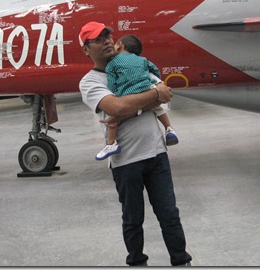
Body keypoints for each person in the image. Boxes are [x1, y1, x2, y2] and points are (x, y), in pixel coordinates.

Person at [78, 21, 192, 266]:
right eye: (98, 39)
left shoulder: (135, 63)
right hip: (125, 161)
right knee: (133, 219)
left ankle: (182, 261)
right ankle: (137, 262)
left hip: (156, 153)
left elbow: (166, 92)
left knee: (170, 215)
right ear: (86, 50)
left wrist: (130, 111)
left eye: (108, 35)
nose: (107, 40)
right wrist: (148, 99)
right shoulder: (90, 82)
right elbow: (120, 106)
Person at [96, 34, 179, 160]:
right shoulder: (143, 59)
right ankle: (169, 129)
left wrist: (114, 92)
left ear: (120, 45)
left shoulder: (112, 63)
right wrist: (155, 81)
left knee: (112, 120)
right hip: (146, 88)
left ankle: (111, 143)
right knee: (158, 109)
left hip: (127, 93)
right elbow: (154, 69)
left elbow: (112, 81)